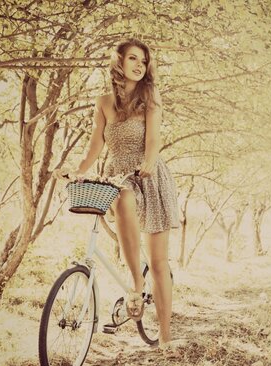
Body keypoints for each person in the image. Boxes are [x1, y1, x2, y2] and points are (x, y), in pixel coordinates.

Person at [58, 38, 180, 348]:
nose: (140, 65)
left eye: (144, 61)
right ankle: (135, 286)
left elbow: (153, 139)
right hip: (119, 174)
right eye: (133, 59)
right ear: (119, 62)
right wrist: (79, 170)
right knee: (122, 195)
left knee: (159, 262)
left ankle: (165, 340)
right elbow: (95, 145)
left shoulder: (150, 95)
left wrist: (149, 162)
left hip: (149, 175)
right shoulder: (103, 102)